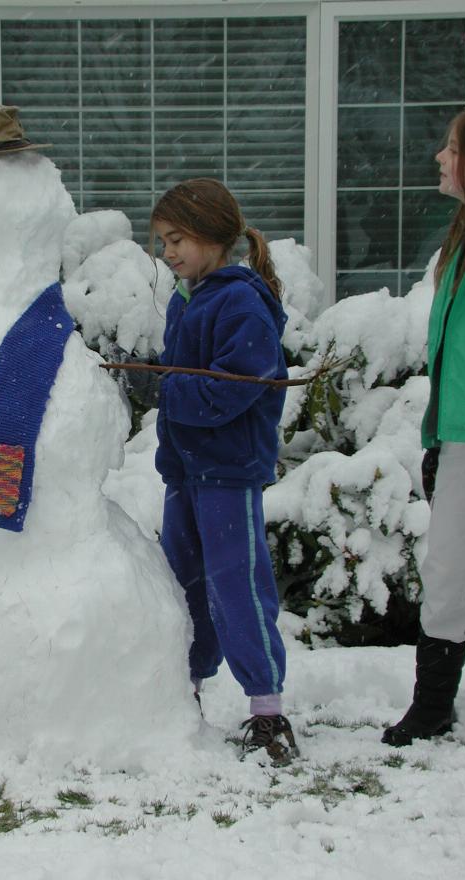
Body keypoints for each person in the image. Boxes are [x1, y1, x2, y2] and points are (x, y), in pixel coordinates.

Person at [150, 178, 297, 764]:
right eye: (162, 243)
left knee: (236, 585)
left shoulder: (241, 301)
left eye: (177, 239)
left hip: (228, 471)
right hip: (187, 471)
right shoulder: (189, 297)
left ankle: (267, 710)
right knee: (181, 582)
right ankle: (181, 692)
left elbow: (234, 388)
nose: (169, 253)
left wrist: (166, 389)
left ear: (213, 234)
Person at [383, 106, 465, 746]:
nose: (440, 159)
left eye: (452, 149)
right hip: (461, 434)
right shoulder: (462, 238)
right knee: (446, 569)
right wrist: (436, 438)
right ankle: (432, 707)